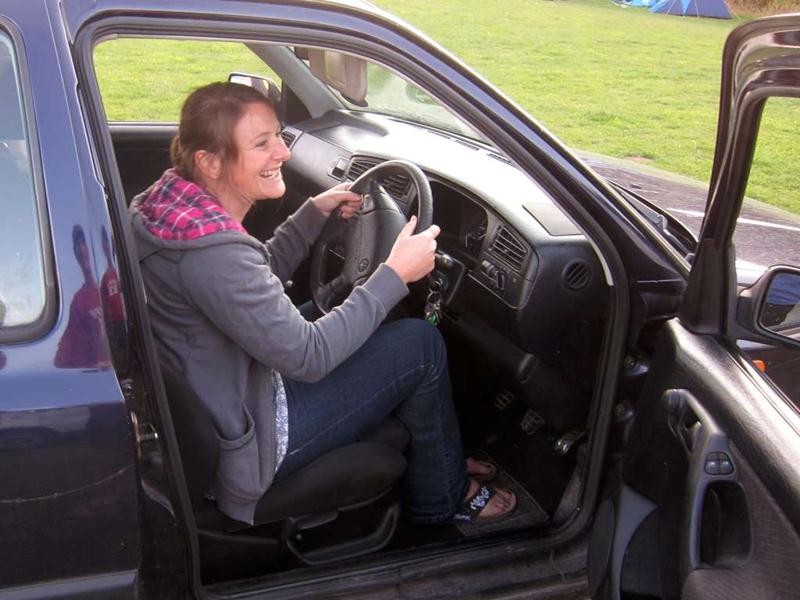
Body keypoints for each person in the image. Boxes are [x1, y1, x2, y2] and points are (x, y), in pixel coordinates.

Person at [129, 82, 515, 526]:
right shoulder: (214, 256)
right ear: (210, 162)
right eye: (262, 144)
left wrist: (313, 214)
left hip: (234, 389)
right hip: (253, 443)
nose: (283, 152)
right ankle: (444, 497)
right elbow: (309, 356)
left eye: (278, 136)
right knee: (421, 346)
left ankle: (439, 456)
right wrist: (394, 274)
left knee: (374, 313)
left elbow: (249, 282)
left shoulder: (169, 211)